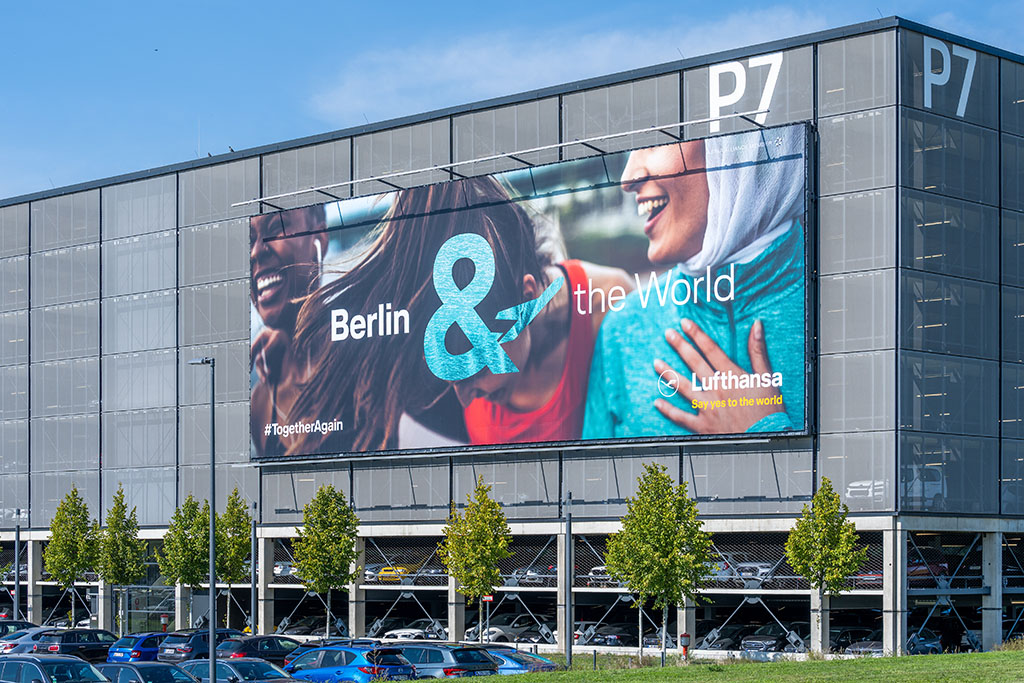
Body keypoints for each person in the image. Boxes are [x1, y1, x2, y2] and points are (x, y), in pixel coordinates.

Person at [284, 176, 631, 455]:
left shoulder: (610, 306)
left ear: (527, 299)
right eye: (449, 375)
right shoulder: (433, 363)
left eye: (472, 368)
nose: (462, 397)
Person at [583, 126, 806, 439]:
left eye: (654, 141)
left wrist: (762, 430)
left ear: (736, 143)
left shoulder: (853, 307)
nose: (628, 177)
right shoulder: (620, 330)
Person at [249, 205, 327, 457]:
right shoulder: (260, 402)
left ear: (319, 240)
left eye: (276, 229)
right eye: (248, 241)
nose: (255, 252)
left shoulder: (360, 356)